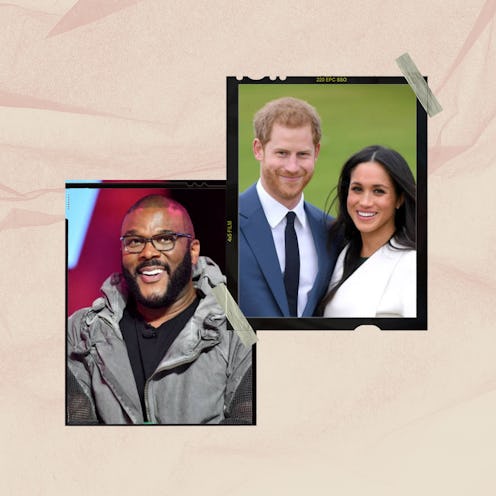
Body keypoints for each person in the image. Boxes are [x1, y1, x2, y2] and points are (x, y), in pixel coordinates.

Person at [67, 195, 252, 424]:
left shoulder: (239, 326)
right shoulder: (80, 331)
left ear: (193, 251)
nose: (148, 253)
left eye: (165, 239)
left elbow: (252, 430)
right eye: (135, 242)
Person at [239, 97, 340, 317]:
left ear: (317, 152)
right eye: (282, 153)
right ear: (258, 149)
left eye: (302, 154)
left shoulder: (331, 230)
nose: (292, 167)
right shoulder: (226, 220)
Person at [319, 145, 416, 318]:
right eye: (357, 189)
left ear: (399, 199)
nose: (365, 202)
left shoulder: (412, 263)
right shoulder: (341, 253)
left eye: (378, 191)